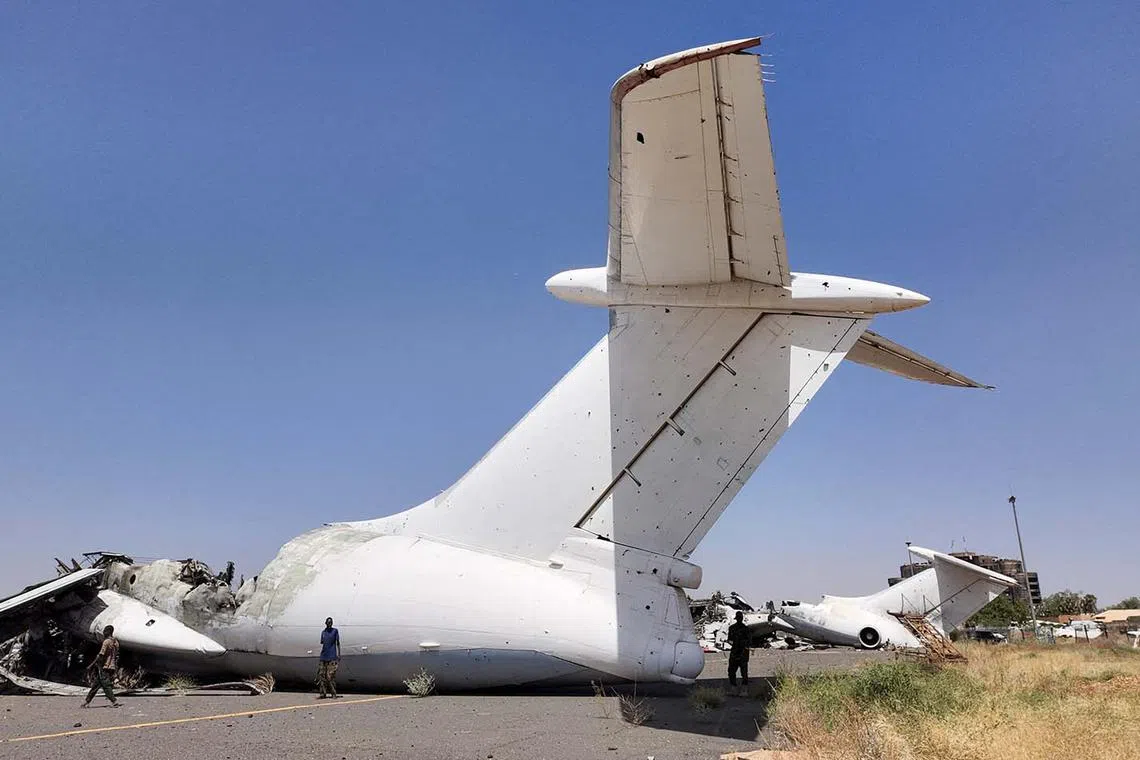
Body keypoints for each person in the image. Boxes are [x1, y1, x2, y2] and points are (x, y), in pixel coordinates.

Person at [82, 625, 121, 708]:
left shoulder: (106, 642)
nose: (103, 633)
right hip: (112, 666)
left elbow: (101, 655)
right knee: (96, 685)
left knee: (106, 684)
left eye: (105, 631)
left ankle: (114, 701)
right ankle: (87, 701)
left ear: (108, 631)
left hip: (105, 666)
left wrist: (93, 665)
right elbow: (117, 656)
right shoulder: (116, 642)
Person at [317, 617, 341, 699]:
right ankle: (322, 693)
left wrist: (339, 654)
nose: (329, 624)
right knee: (322, 676)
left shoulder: (335, 631)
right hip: (324, 656)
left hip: (332, 656)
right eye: (328, 622)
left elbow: (338, 643)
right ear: (326, 623)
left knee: (330, 676)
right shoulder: (323, 632)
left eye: (331, 622)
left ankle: (333, 693)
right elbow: (322, 642)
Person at [726, 611, 750, 687]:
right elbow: (749, 641)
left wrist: (735, 644)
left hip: (736, 652)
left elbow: (729, 640)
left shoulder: (732, 628)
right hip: (743, 652)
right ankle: (743, 688)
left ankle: (734, 687)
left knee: (732, 671)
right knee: (743, 671)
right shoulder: (746, 629)